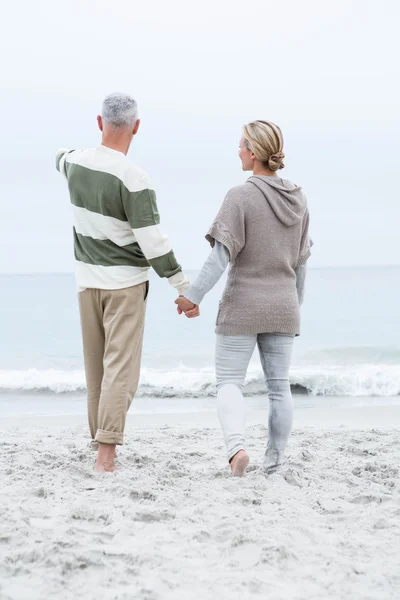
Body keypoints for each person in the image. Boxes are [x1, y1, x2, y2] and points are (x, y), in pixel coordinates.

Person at [56, 93, 195, 473]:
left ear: (99, 123)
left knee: (96, 369)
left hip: (86, 284)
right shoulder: (135, 178)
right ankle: (106, 456)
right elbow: (153, 242)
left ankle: (99, 442)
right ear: (136, 126)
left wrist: (75, 152)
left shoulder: (73, 163)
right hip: (125, 286)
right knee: (120, 369)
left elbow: (59, 155)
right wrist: (184, 286)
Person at [176, 120, 311, 477]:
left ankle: (236, 450)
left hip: (243, 304)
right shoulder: (299, 199)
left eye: (240, 145)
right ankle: (276, 463)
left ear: (253, 152)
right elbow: (301, 262)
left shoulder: (240, 196)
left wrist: (192, 296)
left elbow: (220, 256)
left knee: (230, 382)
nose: (237, 151)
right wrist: (294, 305)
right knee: (280, 389)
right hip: (283, 305)